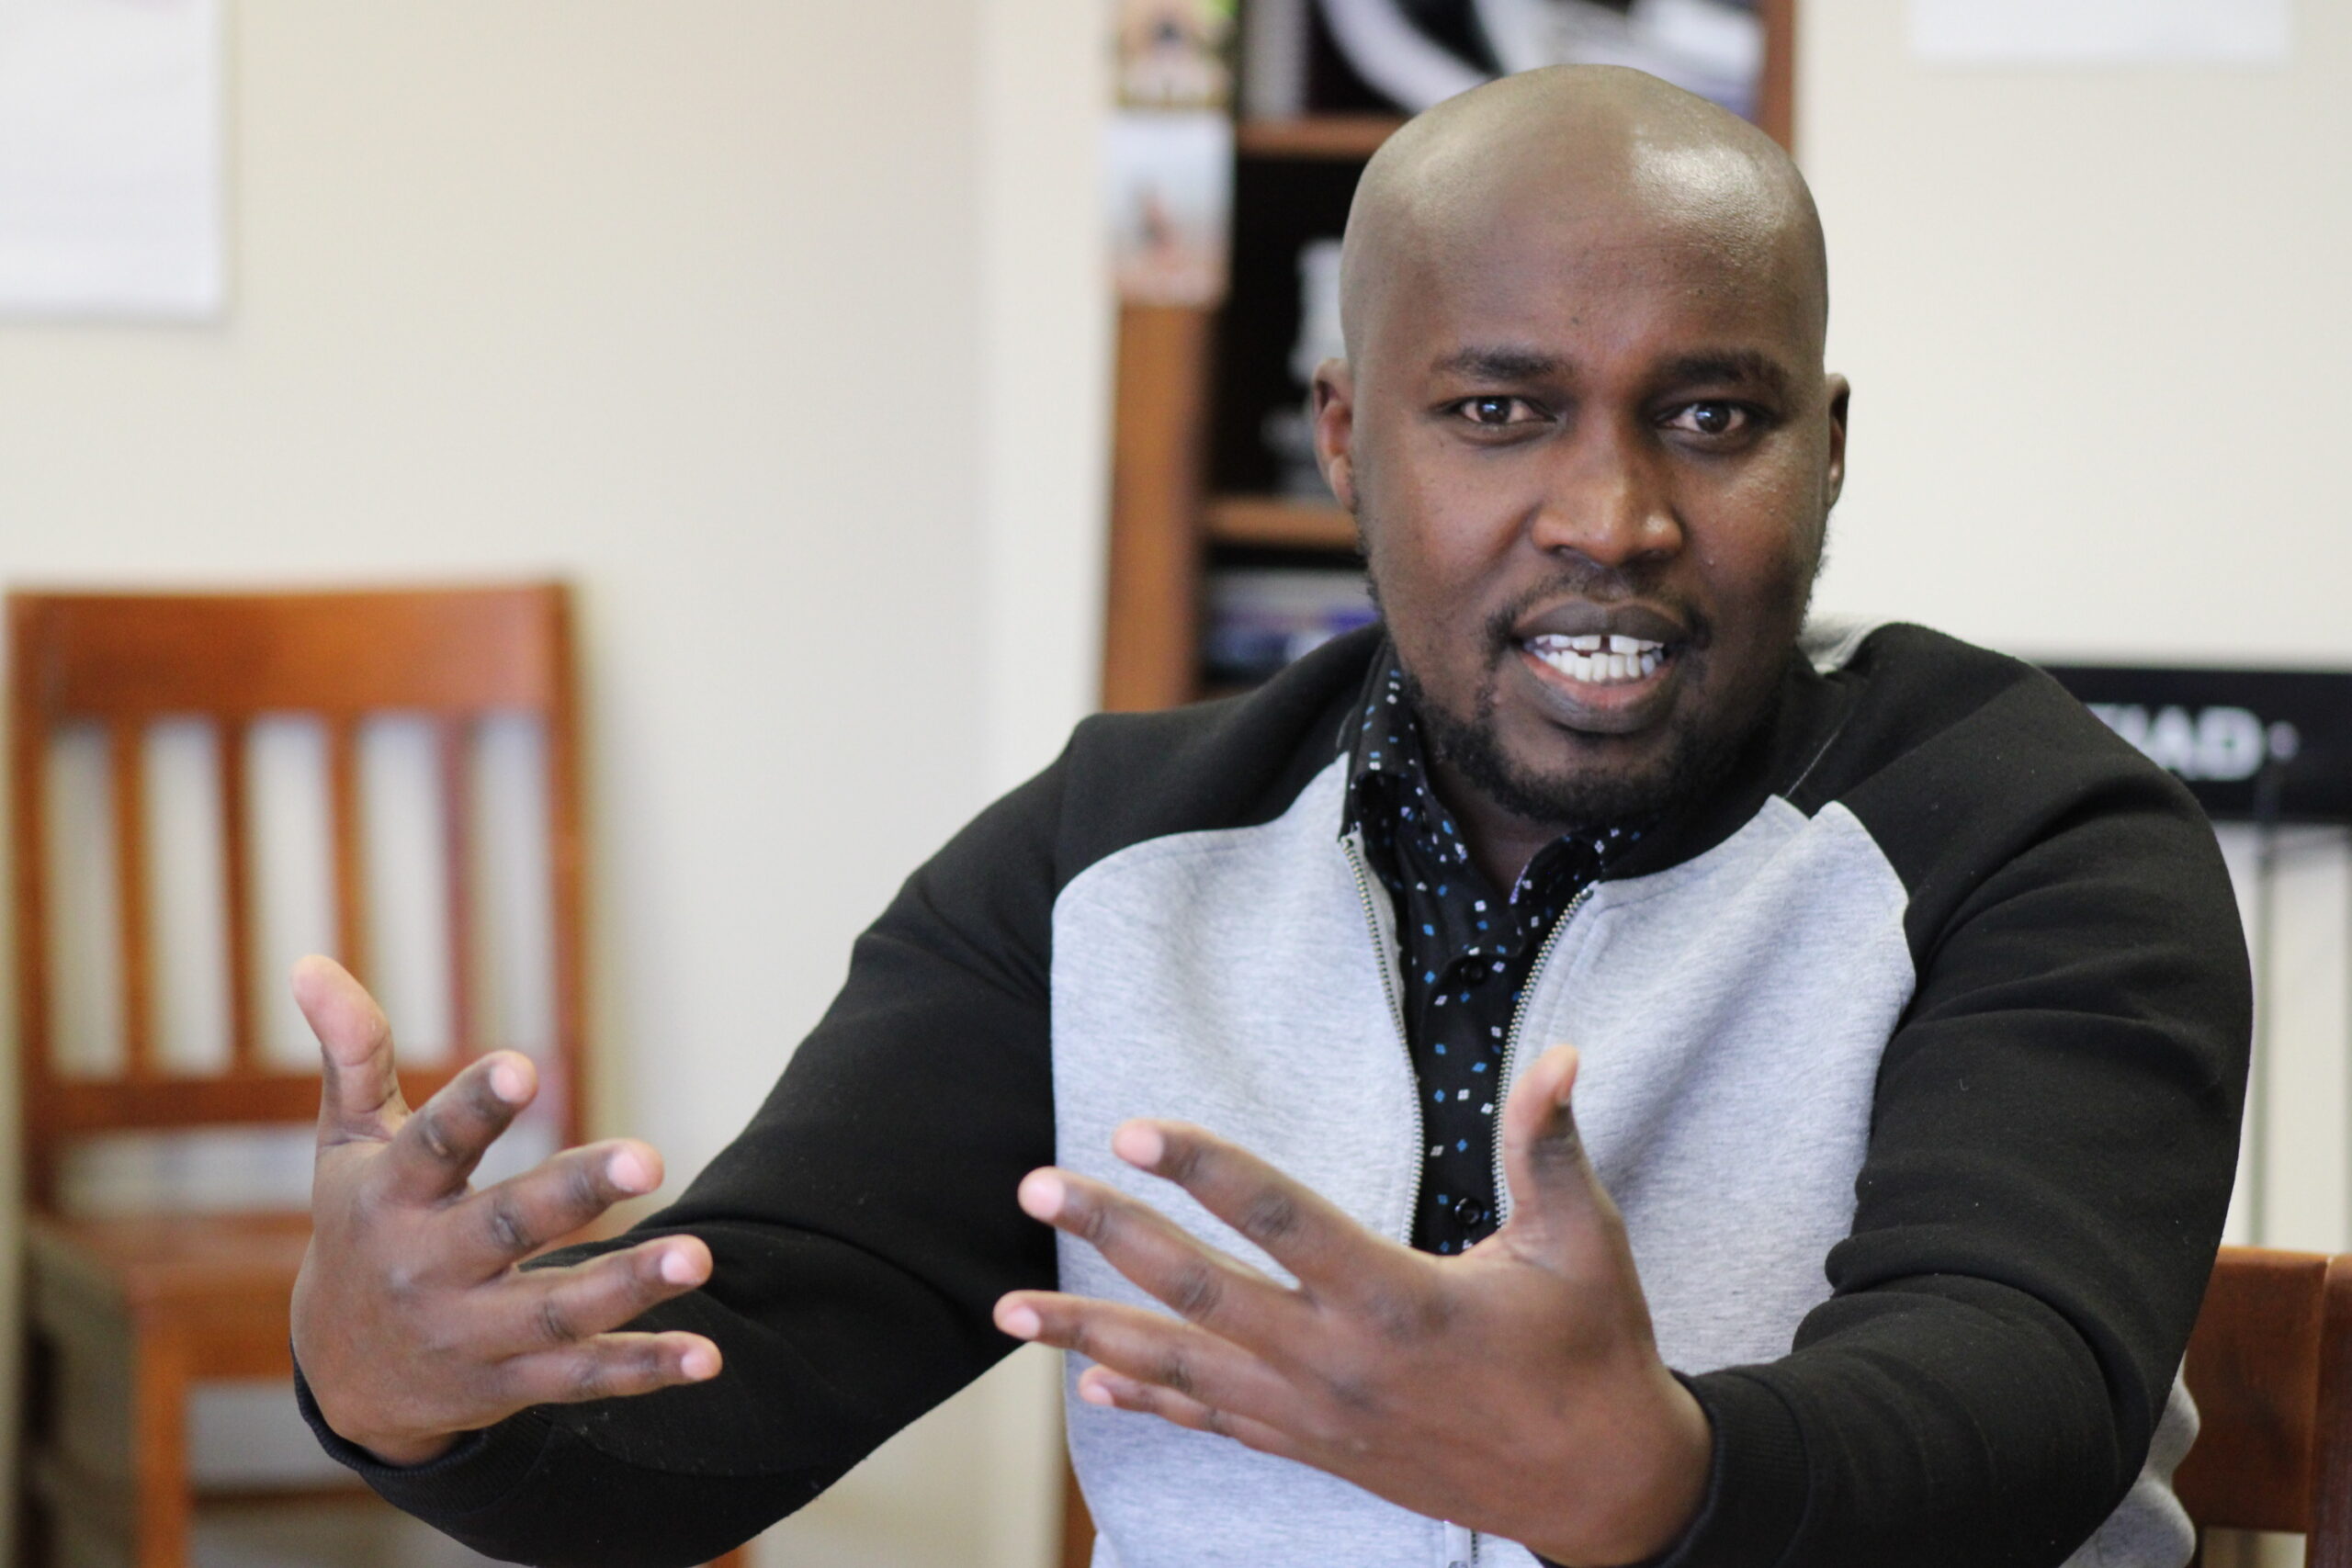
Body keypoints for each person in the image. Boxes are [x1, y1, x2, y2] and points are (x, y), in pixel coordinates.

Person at [291, 64, 2249, 1568]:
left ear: (1824, 447)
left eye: (1710, 416)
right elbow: (723, 1385)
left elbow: (2023, 1383)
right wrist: (410, 1387)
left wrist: (1659, 1475)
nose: (1609, 515)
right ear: (1342, 435)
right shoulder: (1104, 853)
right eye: (1496, 411)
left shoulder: (2035, 837)